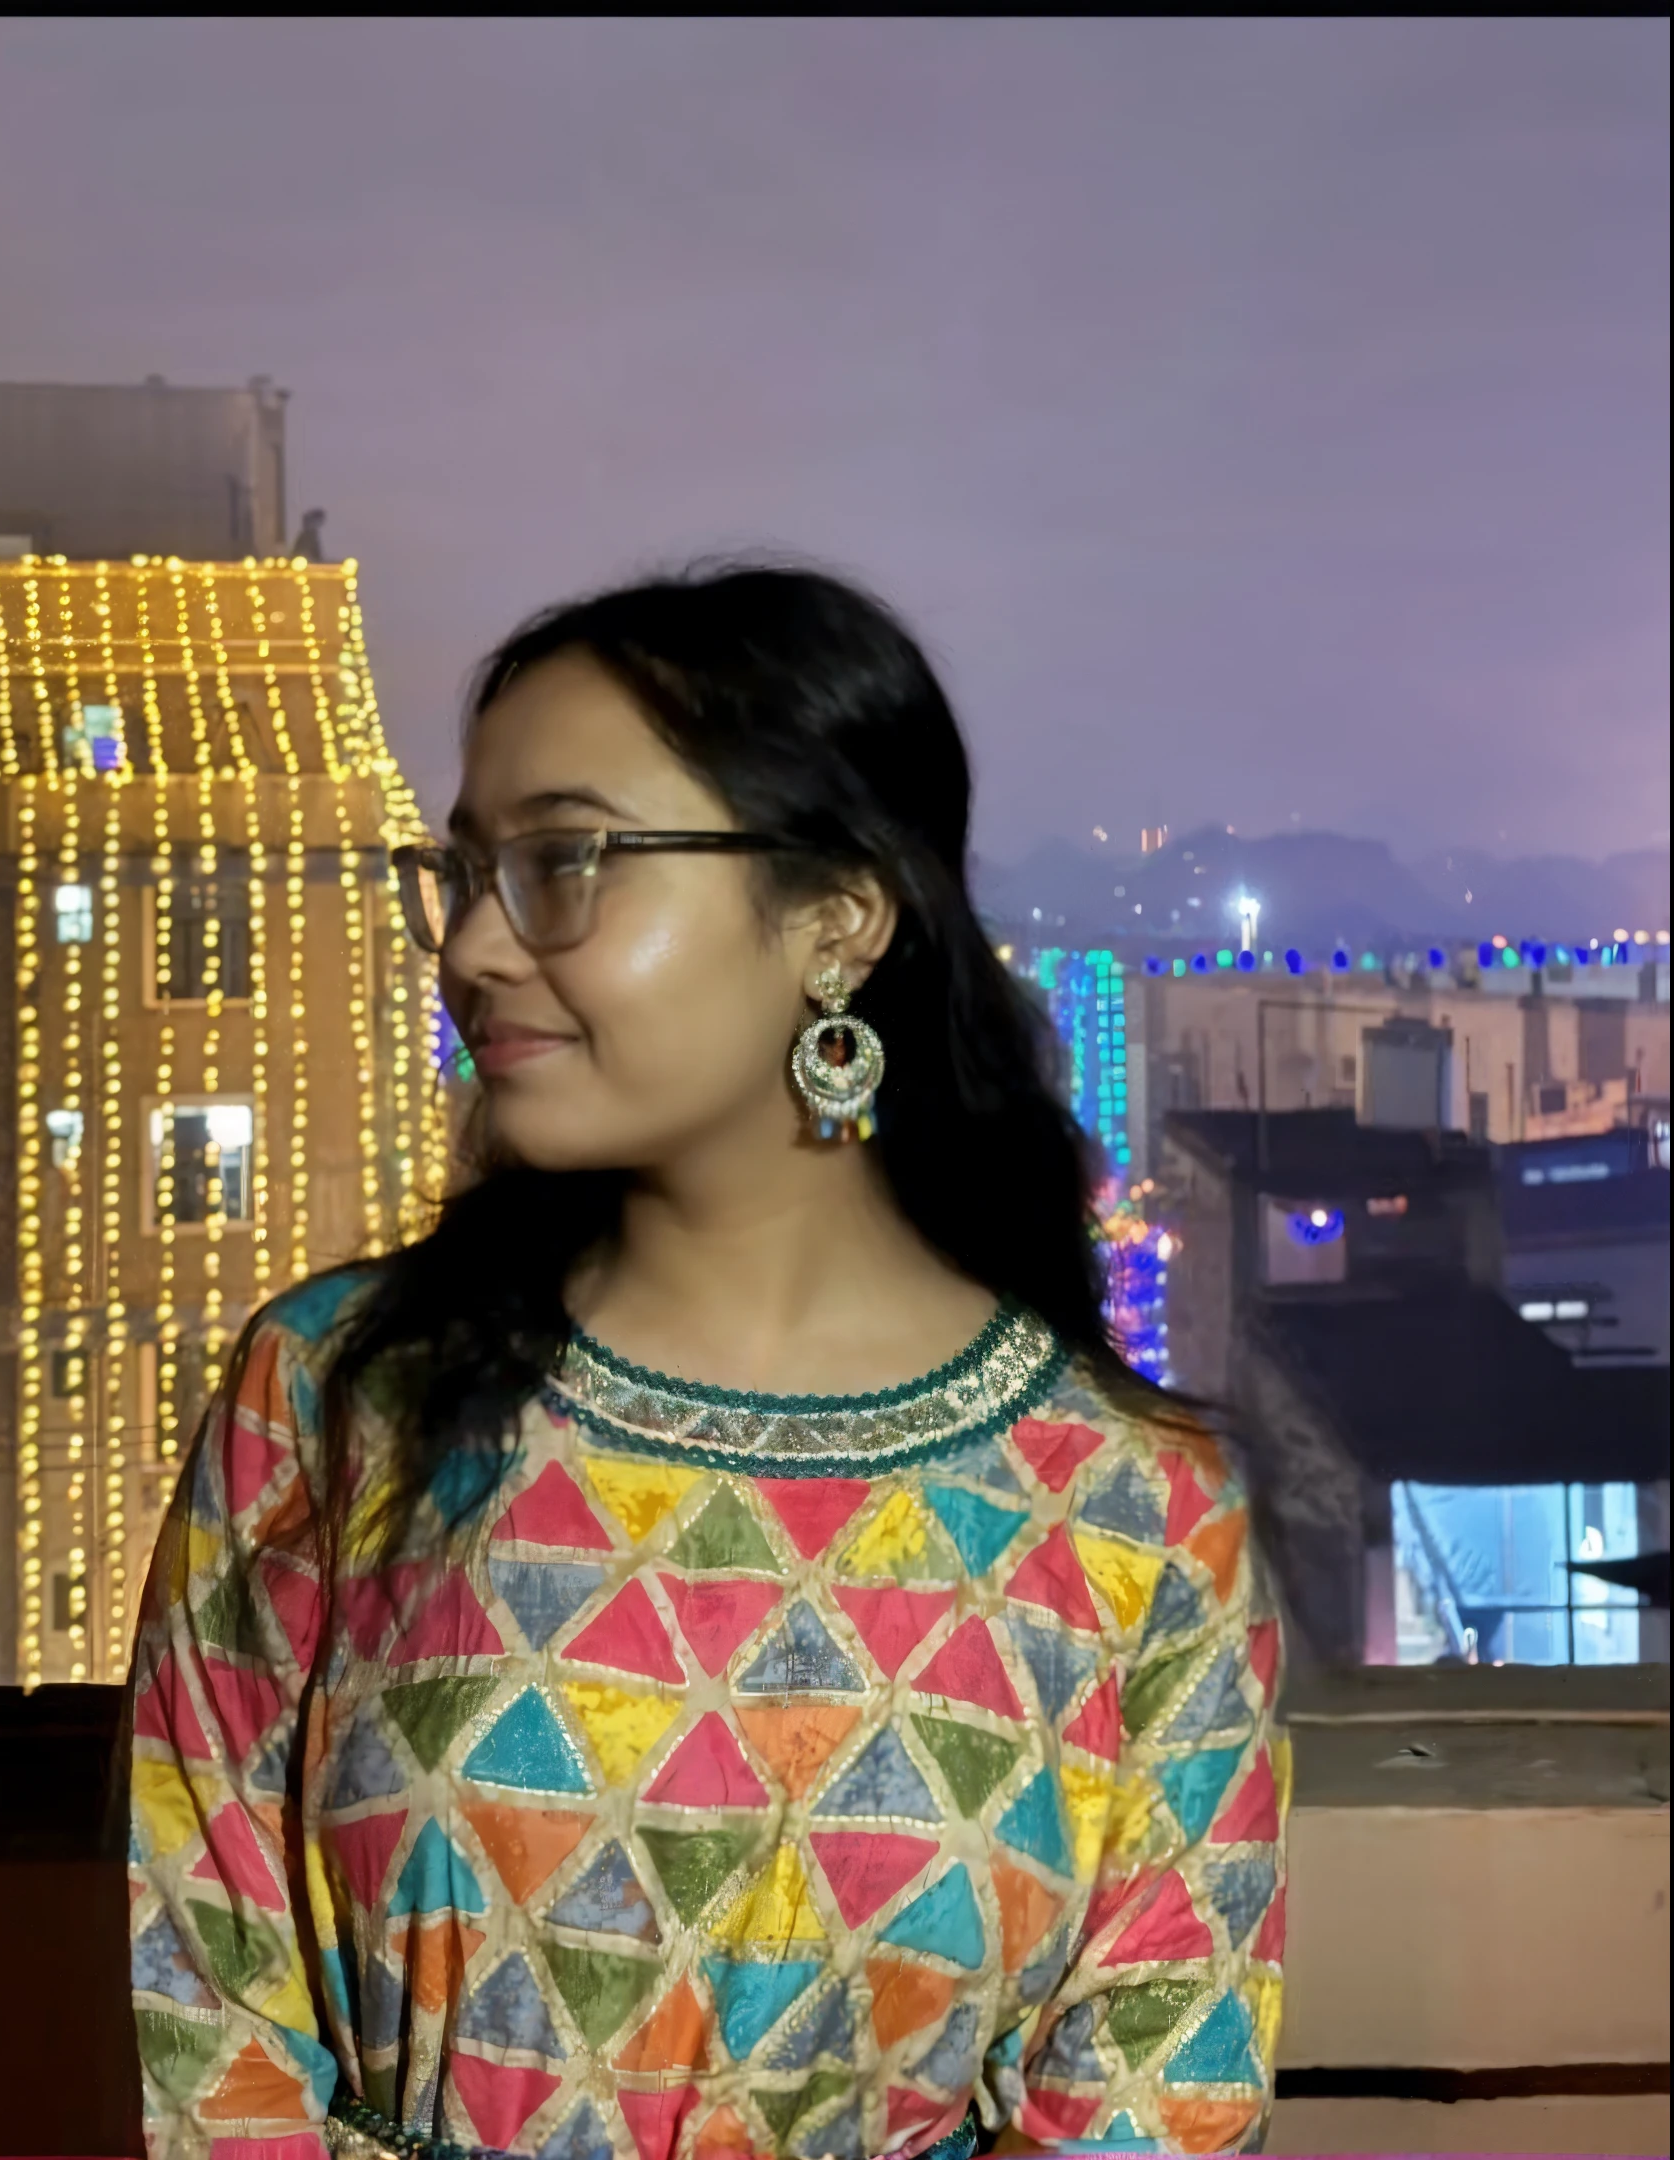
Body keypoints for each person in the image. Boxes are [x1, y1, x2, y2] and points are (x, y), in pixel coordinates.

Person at [128, 564, 1287, 2160]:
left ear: (837, 917)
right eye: (463, 872)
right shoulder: (341, 1399)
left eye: (563, 863)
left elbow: (1158, 2096)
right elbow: (207, 2013)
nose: (471, 946)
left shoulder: (1136, 1510)